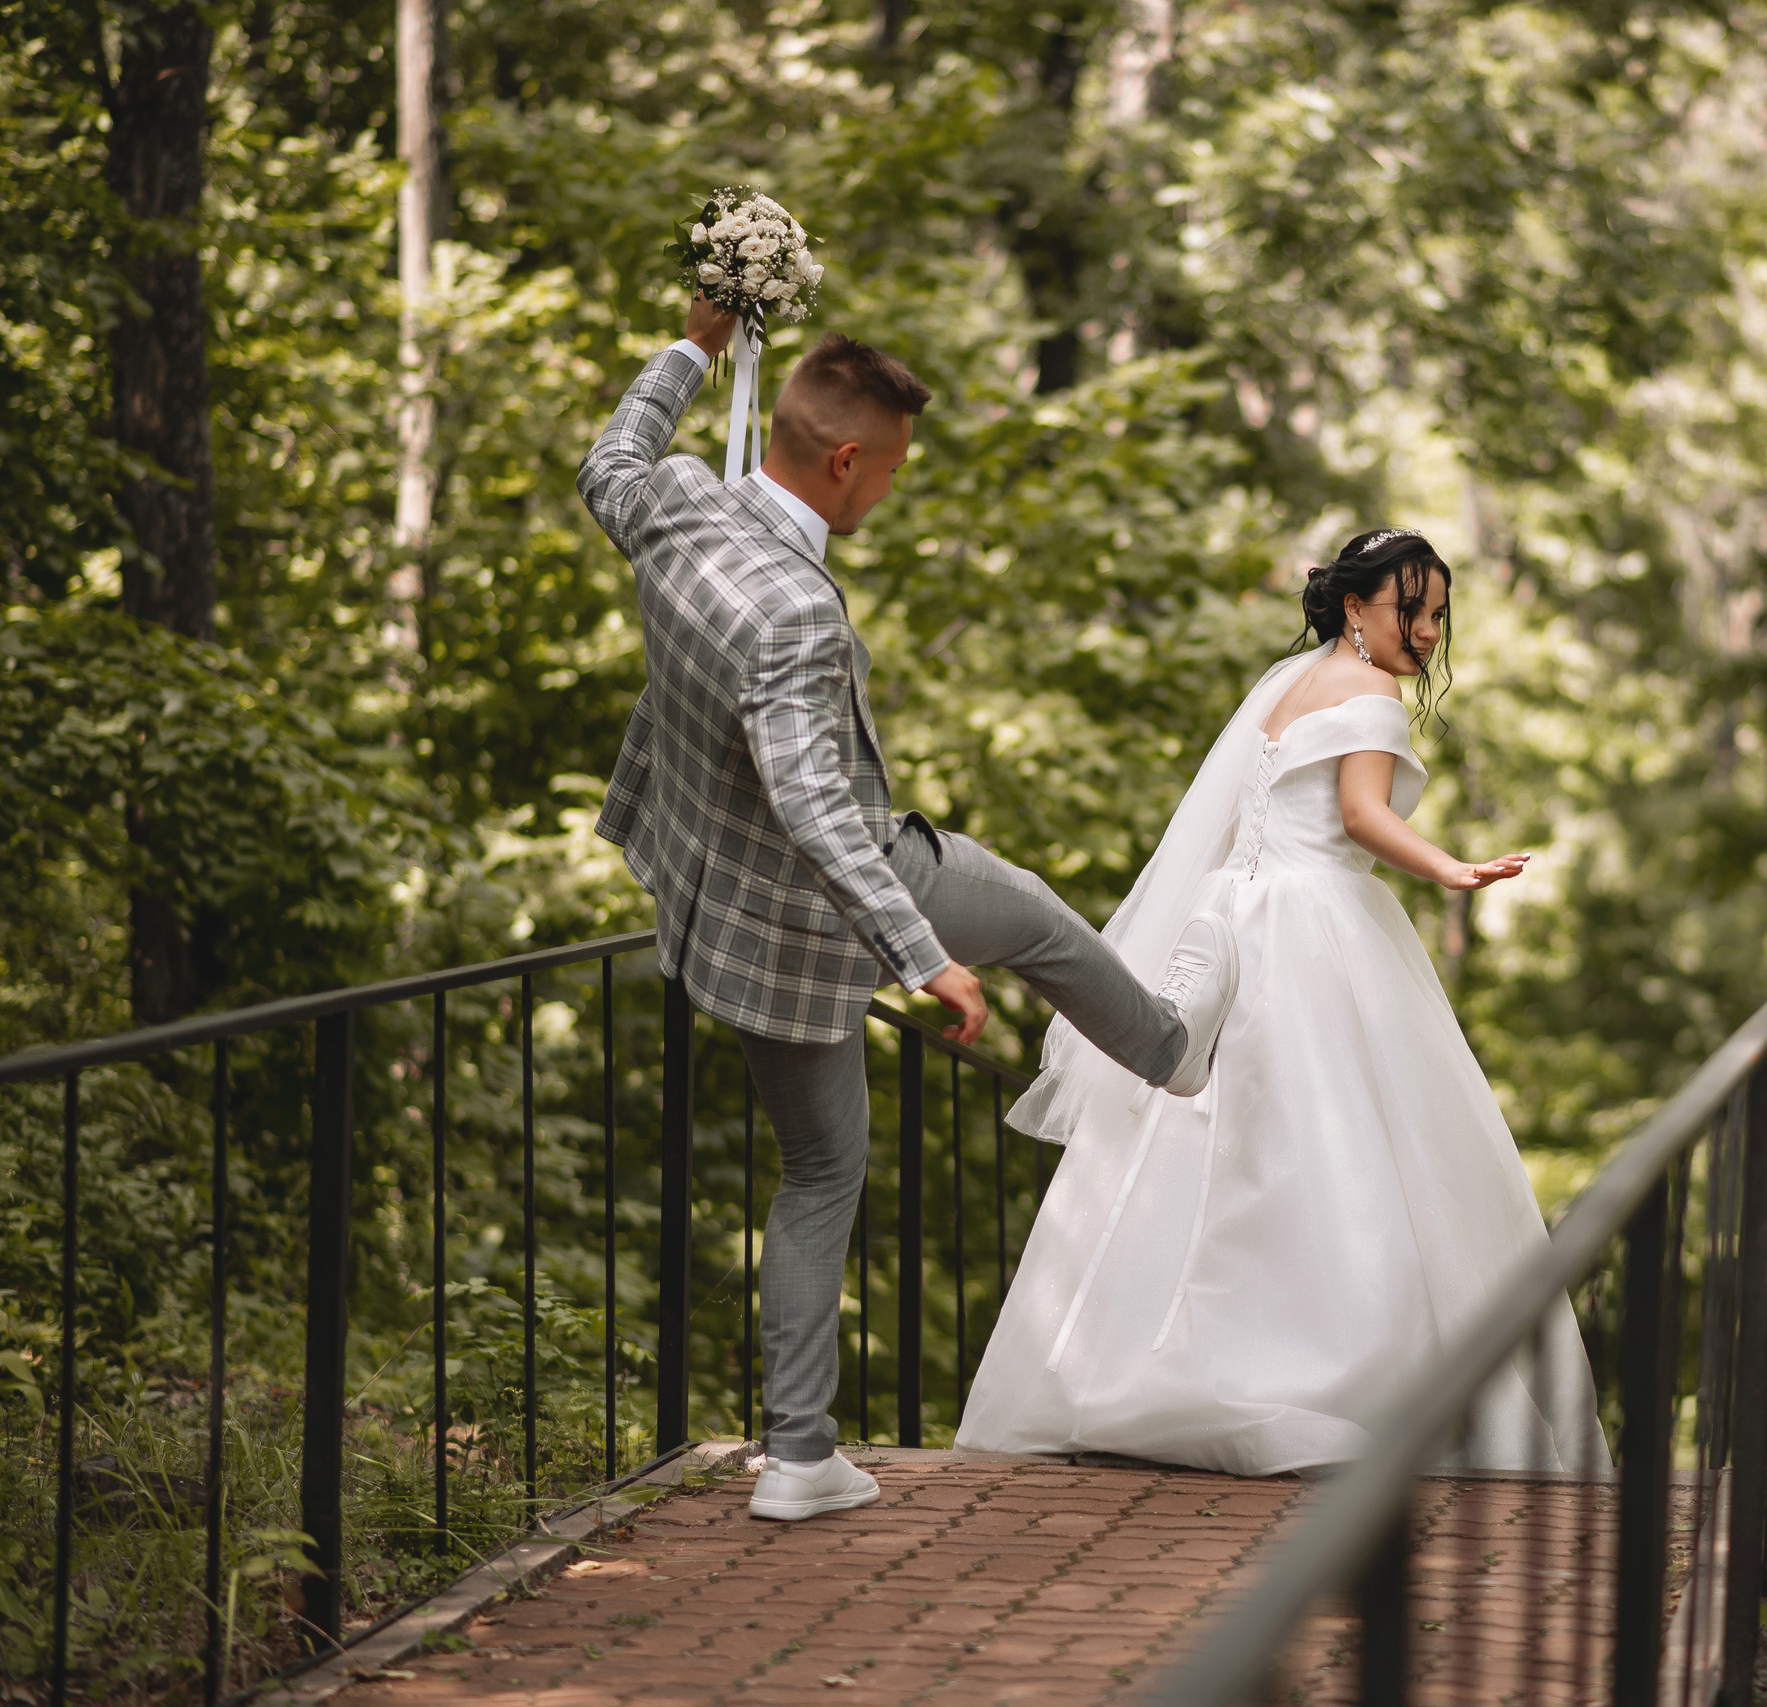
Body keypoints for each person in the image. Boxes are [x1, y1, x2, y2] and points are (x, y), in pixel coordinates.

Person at [577, 299, 1242, 1520]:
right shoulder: (793, 612)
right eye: (888, 469)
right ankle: (1173, 1052)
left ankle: (797, 1459)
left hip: (716, 912)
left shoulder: (676, 500)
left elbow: (608, 460)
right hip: (822, 898)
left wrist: (694, 344)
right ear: (843, 462)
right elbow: (819, 810)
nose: (889, 488)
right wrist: (923, 955)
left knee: (820, 1170)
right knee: (1034, 916)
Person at [956, 527, 1606, 1477]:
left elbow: (1248, 820)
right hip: (1319, 924)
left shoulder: (1286, 683)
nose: (1424, 633)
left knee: (1209, 1144)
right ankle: (1329, 1374)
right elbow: (1360, 816)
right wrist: (1450, 867)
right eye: (1408, 610)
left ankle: (1132, 1363)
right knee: (1345, 1142)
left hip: (1234, 914)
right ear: (1355, 607)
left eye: (1434, 615)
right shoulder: (1373, 689)